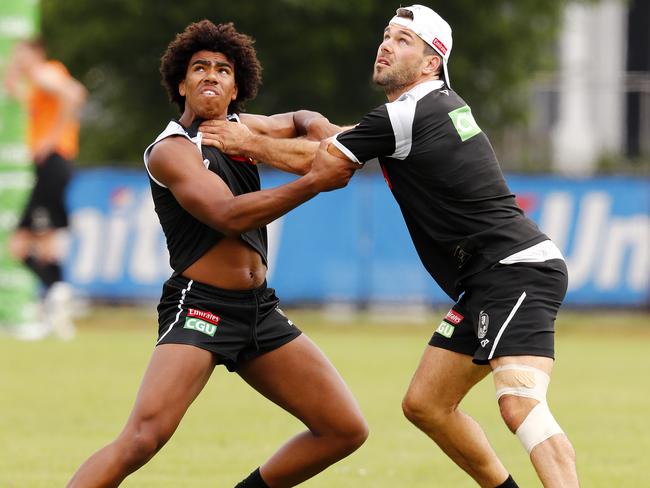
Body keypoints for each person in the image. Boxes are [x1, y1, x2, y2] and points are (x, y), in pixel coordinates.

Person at [198, 5, 579, 487]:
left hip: (514, 269)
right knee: (427, 405)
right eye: (386, 35)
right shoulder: (424, 110)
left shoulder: (410, 112)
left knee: (520, 401)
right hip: (490, 278)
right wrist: (251, 124)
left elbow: (325, 165)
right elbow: (336, 139)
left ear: (429, 63)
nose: (386, 45)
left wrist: (243, 140)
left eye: (403, 40)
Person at [66, 20, 366, 488]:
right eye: (199, 68)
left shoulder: (240, 128)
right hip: (200, 306)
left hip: (258, 309)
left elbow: (300, 118)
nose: (211, 75)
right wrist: (313, 181)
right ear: (181, 84)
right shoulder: (171, 149)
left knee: (344, 430)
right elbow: (227, 215)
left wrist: (320, 128)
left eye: (223, 70)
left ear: (235, 88)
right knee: (143, 438)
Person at [3, 38, 86, 340]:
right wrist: (14, 66)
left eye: (22, 53)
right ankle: (57, 311)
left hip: (54, 161)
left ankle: (59, 293)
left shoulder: (46, 73)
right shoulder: (36, 82)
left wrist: (53, 137)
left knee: (19, 244)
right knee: (45, 244)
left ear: (36, 54)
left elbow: (75, 94)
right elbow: (12, 88)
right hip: (50, 166)